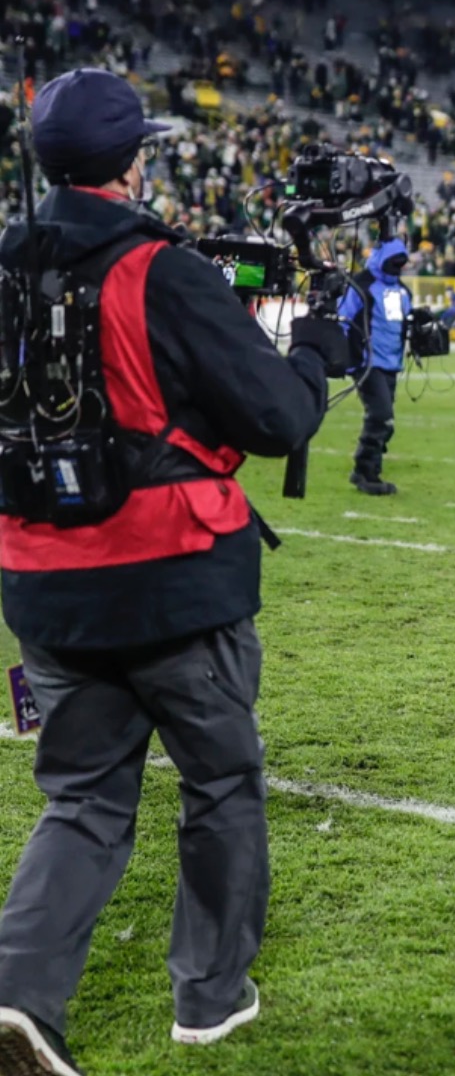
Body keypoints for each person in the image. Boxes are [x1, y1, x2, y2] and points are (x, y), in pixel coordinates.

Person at [0, 69, 341, 1075]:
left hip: (39, 580)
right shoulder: (161, 268)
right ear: (134, 160)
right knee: (221, 785)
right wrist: (316, 350)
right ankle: (210, 995)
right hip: (174, 576)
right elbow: (278, 418)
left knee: (84, 799)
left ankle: (18, 996)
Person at [338, 238, 412, 495]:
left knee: (385, 420)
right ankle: (365, 471)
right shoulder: (363, 285)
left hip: (391, 363)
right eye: (394, 263)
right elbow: (344, 318)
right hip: (367, 362)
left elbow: (403, 322)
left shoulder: (402, 290)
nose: (397, 268)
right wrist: (345, 358)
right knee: (381, 415)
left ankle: (368, 469)